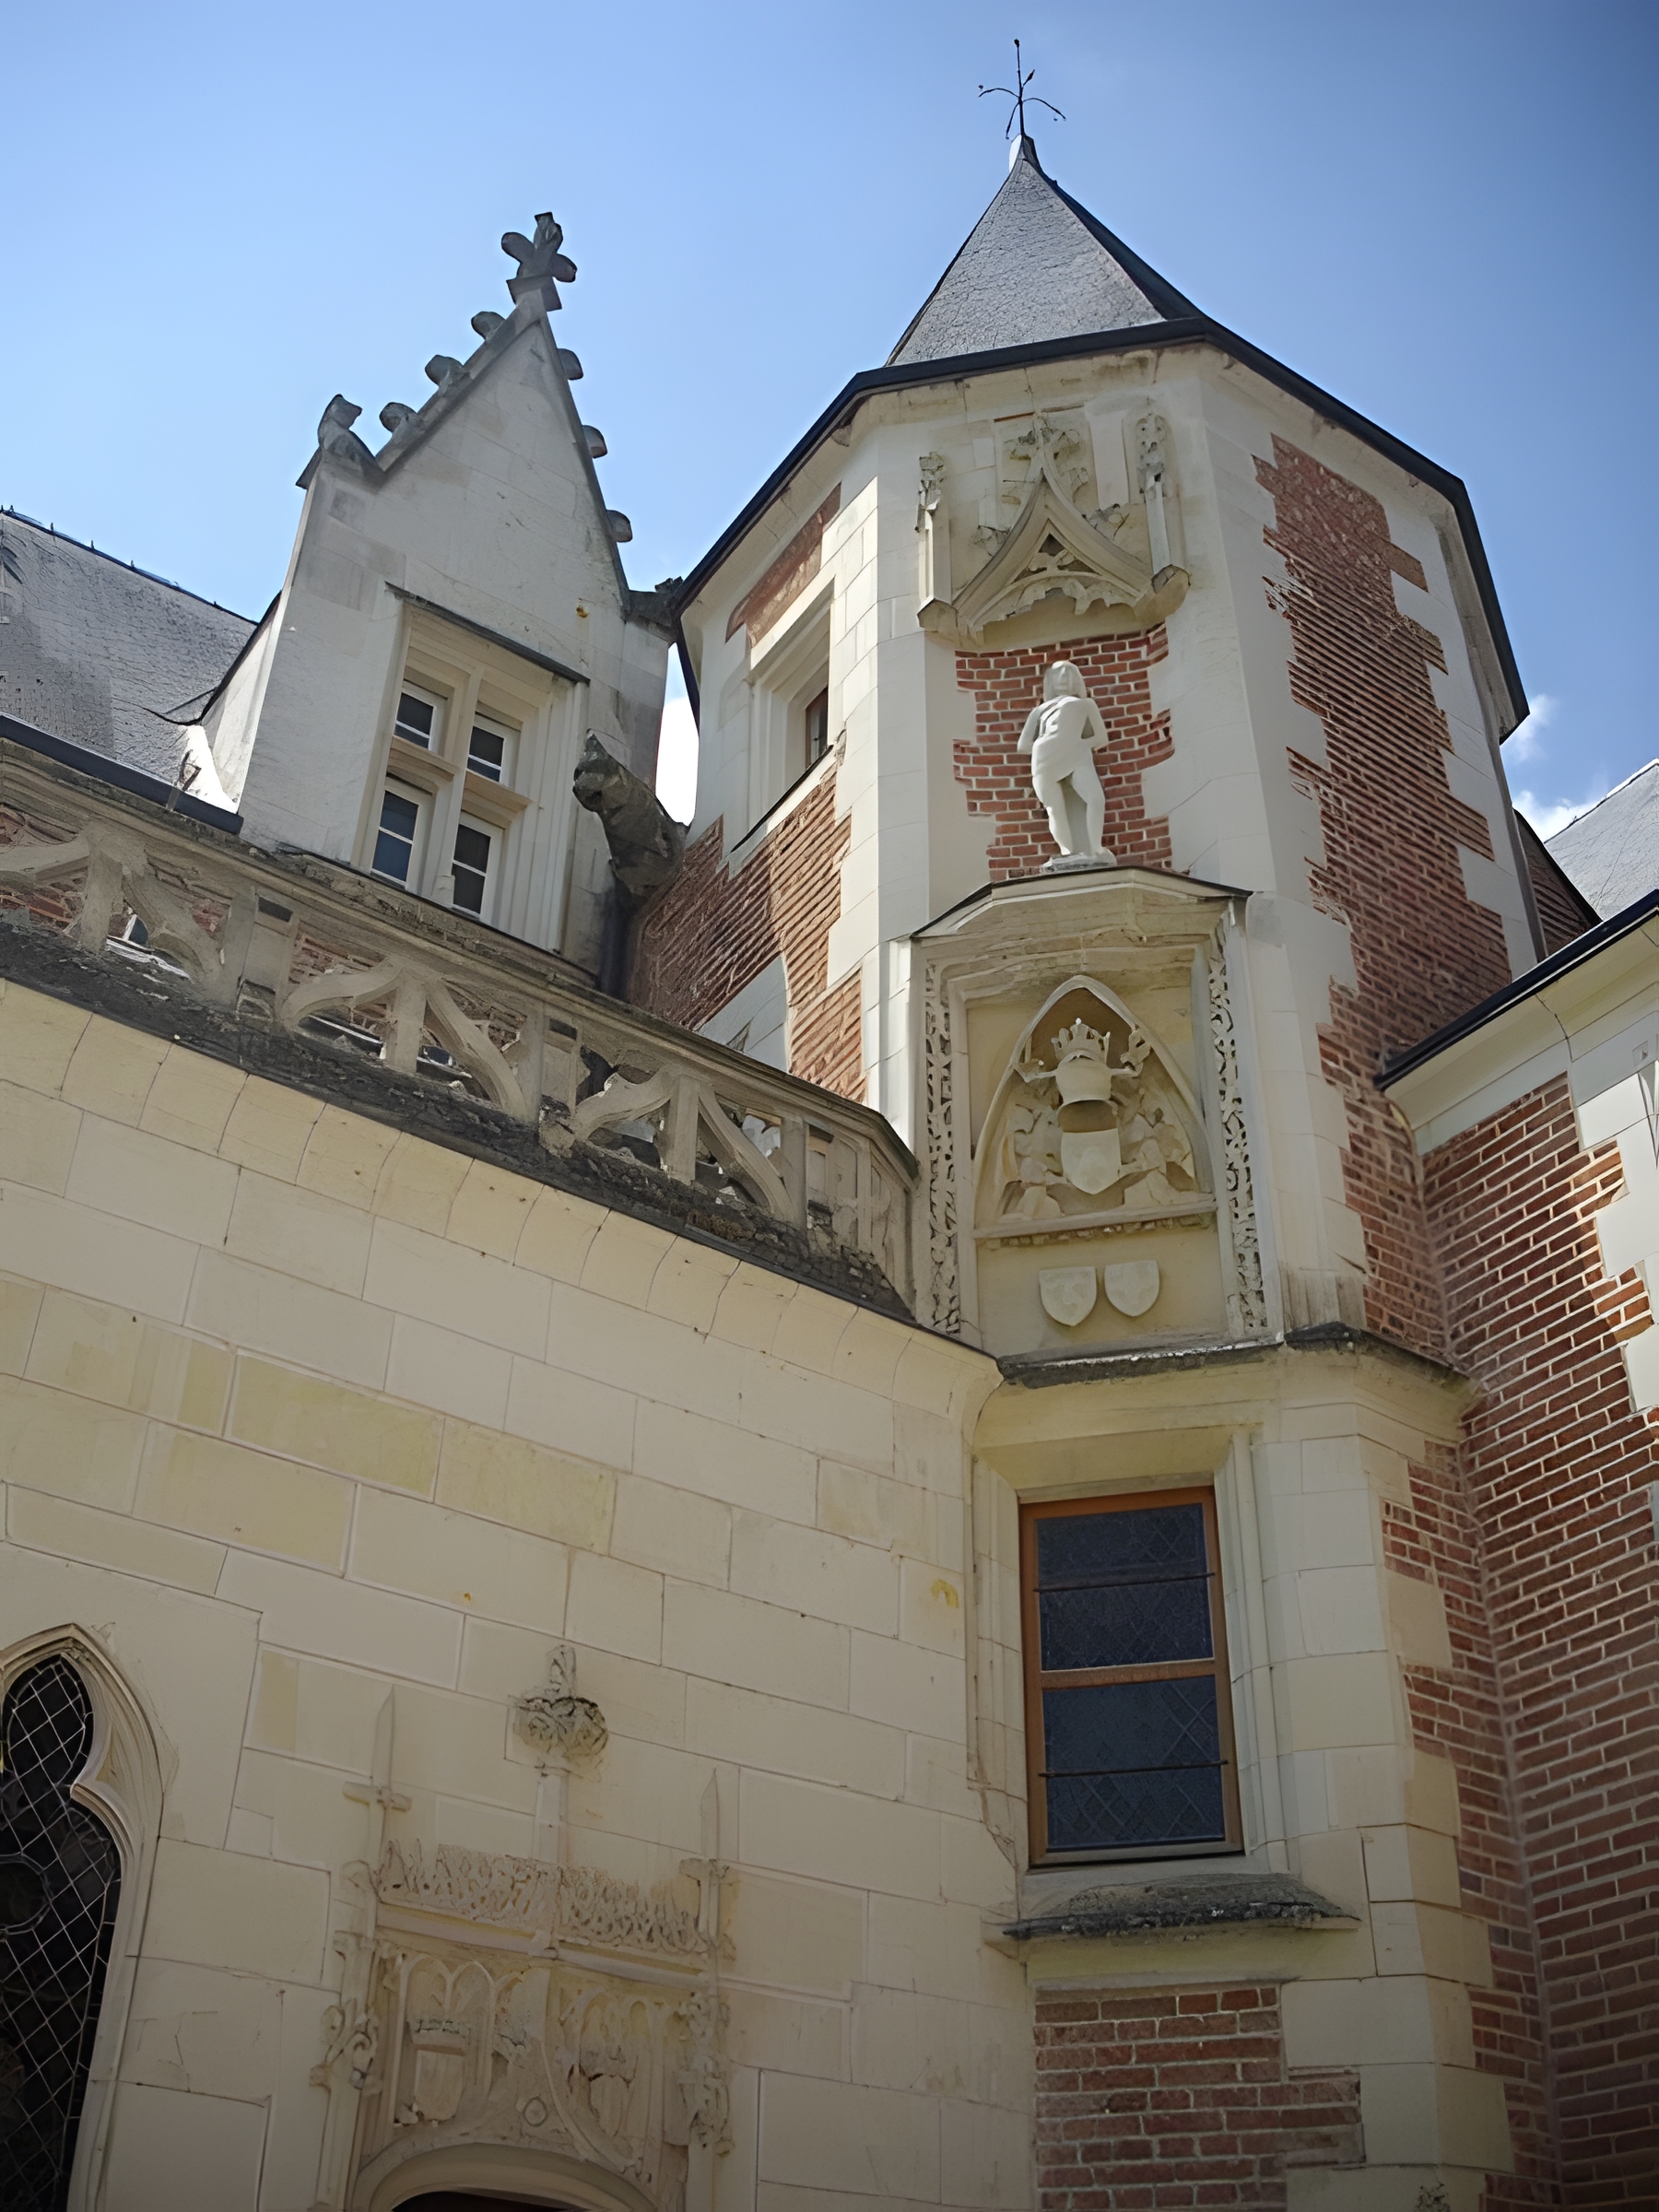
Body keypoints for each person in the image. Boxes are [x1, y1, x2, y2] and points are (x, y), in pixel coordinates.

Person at [1017, 660, 1114, 859]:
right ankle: (1067, 853)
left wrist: (1079, 744)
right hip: (1045, 759)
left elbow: (1101, 738)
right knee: (1054, 809)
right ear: (1050, 682)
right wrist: (1045, 743)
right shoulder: (1039, 711)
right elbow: (1023, 745)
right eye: (1057, 675)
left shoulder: (1085, 704)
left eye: (1067, 675)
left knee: (1096, 799)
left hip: (1076, 755)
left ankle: (1096, 848)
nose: (1062, 680)